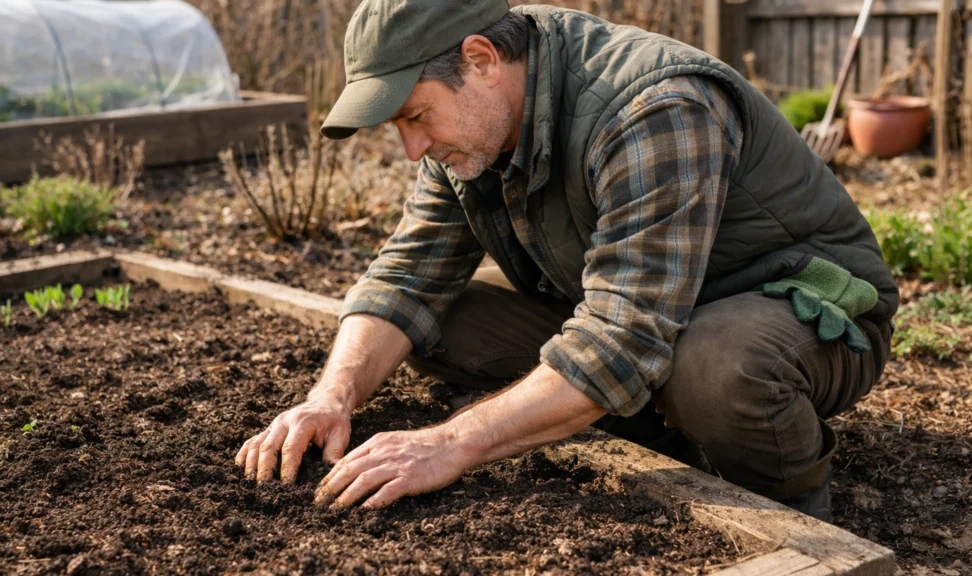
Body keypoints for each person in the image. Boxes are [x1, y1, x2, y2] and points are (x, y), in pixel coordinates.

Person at [235, 0, 897, 523]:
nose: (413, 149)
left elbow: (622, 337)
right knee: (442, 320)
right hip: (648, 304)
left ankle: (793, 504)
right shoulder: (476, 122)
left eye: (416, 117)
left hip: (791, 309)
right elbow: (407, 275)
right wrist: (331, 397)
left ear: (481, 58)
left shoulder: (651, 106)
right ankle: (650, 422)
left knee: (716, 369)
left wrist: (452, 442)